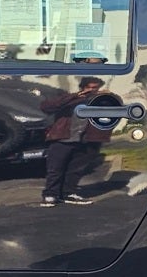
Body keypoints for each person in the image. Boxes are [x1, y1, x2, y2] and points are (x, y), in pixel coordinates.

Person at [40, 76, 111, 206]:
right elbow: (47, 107)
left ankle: (68, 193)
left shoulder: (101, 101)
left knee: (76, 169)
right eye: (88, 87)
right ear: (82, 88)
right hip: (63, 138)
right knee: (55, 168)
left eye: (95, 88)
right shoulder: (70, 99)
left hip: (87, 140)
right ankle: (50, 194)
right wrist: (76, 96)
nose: (91, 90)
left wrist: (108, 97)